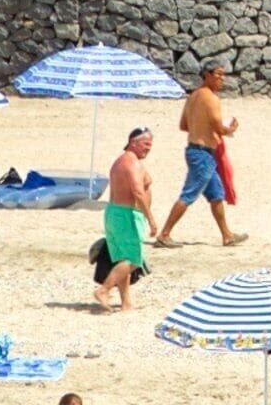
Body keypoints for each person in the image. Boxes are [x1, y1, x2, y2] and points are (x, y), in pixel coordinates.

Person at [159, 66, 241, 247]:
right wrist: (230, 129)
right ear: (207, 75)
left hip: (195, 150)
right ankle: (164, 234)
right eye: (218, 75)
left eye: (223, 75)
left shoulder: (193, 96)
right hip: (202, 154)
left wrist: (201, 127)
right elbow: (219, 129)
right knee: (189, 194)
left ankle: (227, 235)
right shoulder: (211, 98)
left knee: (216, 194)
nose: (222, 79)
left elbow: (183, 125)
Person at [91, 127, 156, 312]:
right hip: (126, 214)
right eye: (145, 144)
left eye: (150, 145)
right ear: (133, 142)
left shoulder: (122, 161)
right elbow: (137, 191)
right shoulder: (132, 163)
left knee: (122, 259)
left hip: (115, 213)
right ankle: (103, 290)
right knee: (133, 259)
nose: (148, 149)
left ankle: (127, 302)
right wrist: (150, 219)